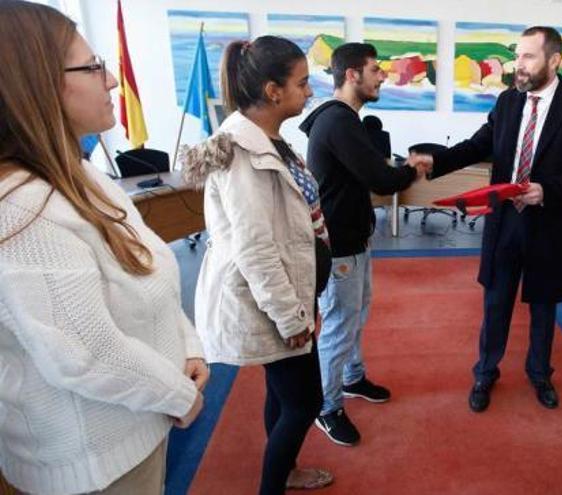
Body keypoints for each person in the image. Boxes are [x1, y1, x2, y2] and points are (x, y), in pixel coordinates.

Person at [0, 2, 207, 494]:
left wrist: (188, 346)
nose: (111, 80)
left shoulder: (79, 173)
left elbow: (147, 266)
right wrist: (178, 394)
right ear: (34, 83)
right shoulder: (18, 208)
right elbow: (83, 353)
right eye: (93, 67)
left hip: (138, 425)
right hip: (94, 461)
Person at [409, 26, 562, 413]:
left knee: (545, 306)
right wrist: (439, 160)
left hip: (551, 221)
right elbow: (480, 145)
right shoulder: (508, 101)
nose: (519, 64)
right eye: (518, 55)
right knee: (495, 301)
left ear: (554, 60)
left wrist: (548, 189)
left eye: (529, 56)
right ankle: (485, 371)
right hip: (506, 221)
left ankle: (539, 373)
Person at [180, 36, 333, 493]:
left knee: (283, 393)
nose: (309, 93)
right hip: (274, 303)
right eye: (302, 84)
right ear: (272, 90)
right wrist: (292, 316)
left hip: (292, 293)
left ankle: (284, 472)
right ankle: (274, 486)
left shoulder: (269, 140)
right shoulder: (243, 154)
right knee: (305, 403)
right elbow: (255, 249)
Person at [299, 42, 422, 447]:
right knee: (338, 324)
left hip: (354, 238)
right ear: (352, 74)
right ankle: (326, 406)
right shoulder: (338, 121)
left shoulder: (344, 119)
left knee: (356, 313)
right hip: (338, 247)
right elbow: (382, 181)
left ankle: (352, 379)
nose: (383, 75)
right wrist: (412, 169)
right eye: (376, 69)